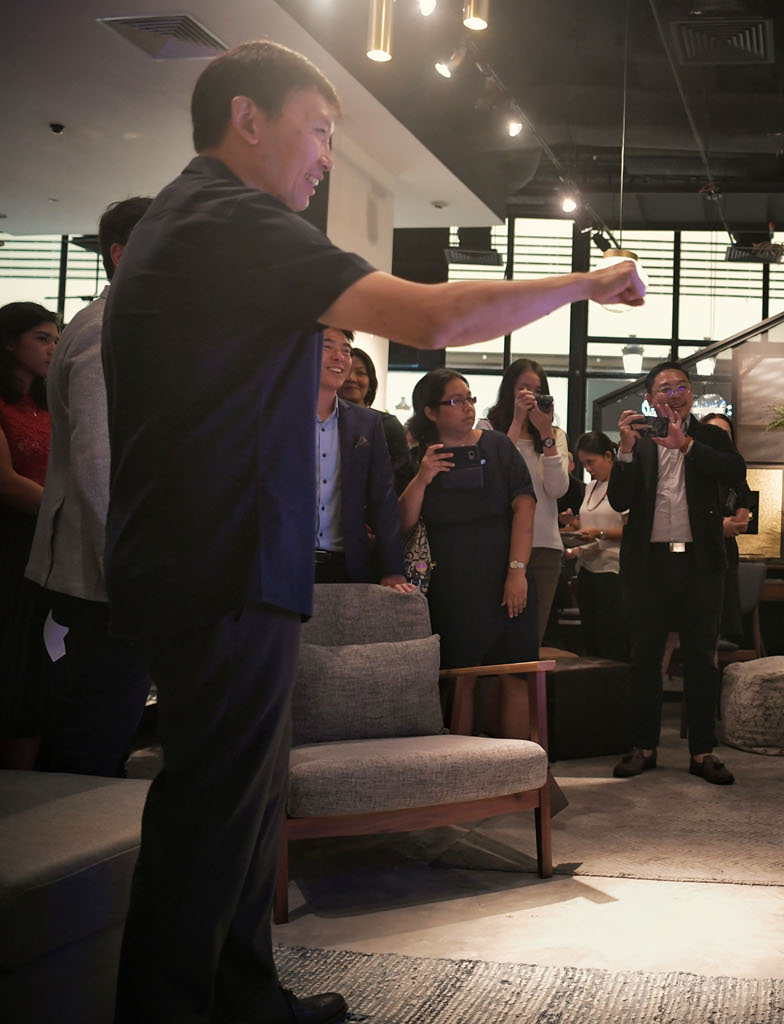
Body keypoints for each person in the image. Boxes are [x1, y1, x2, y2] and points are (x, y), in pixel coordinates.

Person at [101, 40, 642, 1024]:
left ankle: (244, 995)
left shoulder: (207, 221)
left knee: (242, 804)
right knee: (207, 819)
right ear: (247, 120)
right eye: (317, 131)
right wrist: (582, 283)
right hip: (213, 557)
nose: (324, 160)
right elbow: (429, 319)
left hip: (223, 554)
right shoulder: (231, 216)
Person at [26, 198, 154, 778]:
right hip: (104, 575)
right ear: (121, 255)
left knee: (103, 722)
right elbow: (100, 464)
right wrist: (130, 570)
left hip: (111, 570)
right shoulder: (107, 332)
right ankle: (69, 864)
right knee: (93, 730)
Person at [608, 361, 745, 785]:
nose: (674, 395)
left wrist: (687, 446)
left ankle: (703, 751)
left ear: (690, 394)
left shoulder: (709, 436)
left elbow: (735, 473)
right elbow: (617, 500)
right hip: (648, 564)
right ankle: (643, 746)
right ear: (649, 398)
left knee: (702, 659)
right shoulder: (640, 442)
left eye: (681, 387)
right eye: (664, 389)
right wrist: (625, 450)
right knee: (644, 658)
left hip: (700, 564)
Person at [398, 369, 539, 669]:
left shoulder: (498, 446)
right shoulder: (417, 459)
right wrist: (423, 479)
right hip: (450, 583)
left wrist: (517, 572)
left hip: (505, 571)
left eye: (470, 398)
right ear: (430, 412)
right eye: (456, 401)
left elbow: (525, 506)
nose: (468, 407)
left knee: (514, 673)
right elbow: (402, 523)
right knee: (459, 676)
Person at [0, 302, 58, 754]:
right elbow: (6, 483)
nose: (52, 348)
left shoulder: (47, 403)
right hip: (10, 541)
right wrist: (71, 513)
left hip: (47, 538)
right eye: (42, 338)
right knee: (13, 651)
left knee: (40, 654)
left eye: (55, 340)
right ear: (8, 341)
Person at [312, 326, 409, 589]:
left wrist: (392, 569)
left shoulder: (367, 423)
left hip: (346, 565)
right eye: (328, 347)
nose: (339, 357)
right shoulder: (277, 415)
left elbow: (383, 498)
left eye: (345, 350)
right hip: (284, 564)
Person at [483, 358, 571, 644]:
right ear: (509, 390)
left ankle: (527, 691)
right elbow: (496, 476)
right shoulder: (488, 427)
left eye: (537, 390)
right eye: (523, 389)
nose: (531, 396)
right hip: (499, 543)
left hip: (545, 545)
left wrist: (545, 433)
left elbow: (557, 489)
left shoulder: (555, 435)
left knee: (532, 638)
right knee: (496, 637)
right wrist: (518, 421)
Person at [566, 431, 627, 660]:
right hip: (587, 566)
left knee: (610, 638)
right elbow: (589, 523)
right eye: (584, 464)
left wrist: (599, 533)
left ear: (609, 456)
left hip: (612, 569)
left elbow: (632, 531)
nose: (589, 469)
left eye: (591, 462)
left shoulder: (623, 486)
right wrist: (572, 523)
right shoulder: (591, 487)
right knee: (590, 636)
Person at [699, 412, 752, 646]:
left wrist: (729, 525)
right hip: (695, 550)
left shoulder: (734, 472)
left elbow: (742, 516)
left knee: (718, 618)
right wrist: (718, 526)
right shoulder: (692, 468)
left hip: (725, 551)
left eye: (726, 435)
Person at [337, 342, 412, 490]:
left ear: (370, 382)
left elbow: (402, 479)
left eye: (360, 373)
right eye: (345, 372)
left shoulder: (387, 424)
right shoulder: (324, 424)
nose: (351, 378)